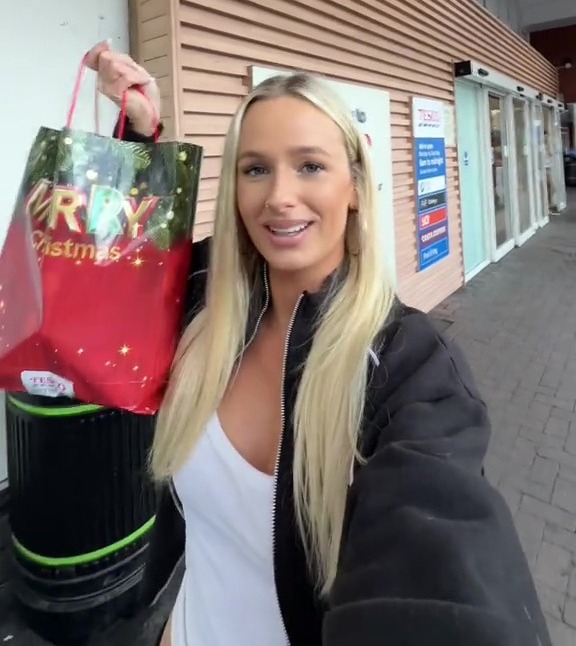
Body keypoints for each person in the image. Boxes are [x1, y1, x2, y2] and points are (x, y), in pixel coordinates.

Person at [86, 42, 551, 646]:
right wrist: (140, 137)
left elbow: (441, 564)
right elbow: (124, 261)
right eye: (255, 169)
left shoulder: (409, 367)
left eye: (309, 166)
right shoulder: (205, 297)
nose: (279, 195)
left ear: (355, 185)